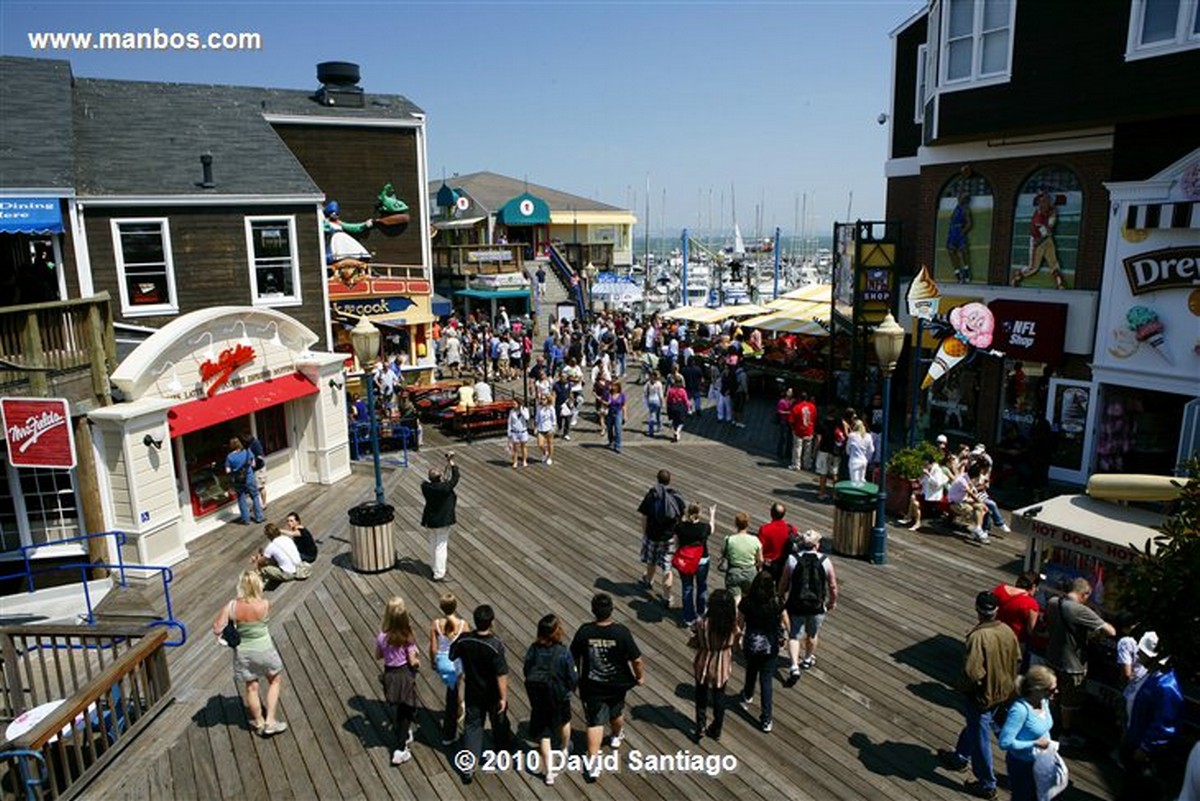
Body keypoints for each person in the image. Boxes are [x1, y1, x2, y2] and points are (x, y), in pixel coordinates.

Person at [937, 592, 1020, 801]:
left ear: (977, 610)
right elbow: (1018, 658)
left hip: (983, 695)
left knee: (980, 734)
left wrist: (962, 688)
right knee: (976, 726)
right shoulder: (1007, 630)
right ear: (996, 610)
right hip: (1005, 691)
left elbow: (972, 673)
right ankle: (960, 756)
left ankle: (987, 784)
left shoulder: (977, 637)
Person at [571, 593, 645, 781]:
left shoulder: (584, 631)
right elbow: (636, 660)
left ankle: (593, 762)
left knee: (595, 722)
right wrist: (639, 677)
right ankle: (616, 736)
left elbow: (574, 658)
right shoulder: (621, 632)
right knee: (617, 711)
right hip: (617, 683)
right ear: (611, 610)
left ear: (593, 610)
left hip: (592, 685)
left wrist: (575, 678)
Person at [212, 570, 288, 737]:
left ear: (241, 586)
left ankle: (259, 722)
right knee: (274, 680)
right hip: (265, 648)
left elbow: (217, 628)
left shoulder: (231, 606)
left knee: (251, 687)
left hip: (244, 652)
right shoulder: (265, 604)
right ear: (258, 585)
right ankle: (271, 721)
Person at [1045, 577, 1115, 748]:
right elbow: (1110, 631)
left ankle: (1048, 726)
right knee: (1068, 702)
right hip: (1072, 665)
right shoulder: (1078, 610)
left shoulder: (1053, 602)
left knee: (1052, 695)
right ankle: (1066, 734)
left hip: (1052, 658)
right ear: (1085, 594)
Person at [449, 605, 512, 784]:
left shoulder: (464, 640)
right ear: (491, 622)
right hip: (492, 693)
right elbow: (501, 674)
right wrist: (503, 698)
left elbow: (452, 655)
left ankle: (468, 767)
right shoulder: (495, 645)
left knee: (472, 726)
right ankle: (502, 755)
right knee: (498, 723)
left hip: (473, 690)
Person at [1120, 632, 1184, 801]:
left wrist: (1146, 747)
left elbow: (1165, 724)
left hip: (1145, 751)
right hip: (1135, 740)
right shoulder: (1151, 675)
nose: (1138, 655)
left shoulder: (1167, 685)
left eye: (1143, 653)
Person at [523, 614, 578, 786]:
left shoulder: (533, 649)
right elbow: (572, 677)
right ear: (556, 631)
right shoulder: (563, 652)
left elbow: (526, 670)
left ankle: (549, 773)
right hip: (559, 696)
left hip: (539, 698)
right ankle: (564, 748)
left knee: (544, 735)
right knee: (565, 721)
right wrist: (569, 689)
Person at [779, 530, 837, 686]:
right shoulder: (825, 561)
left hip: (796, 603)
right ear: (817, 545)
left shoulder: (792, 559)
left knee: (794, 635)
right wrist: (832, 601)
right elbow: (832, 585)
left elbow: (784, 582)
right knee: (812, 633)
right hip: (816, 604)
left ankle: (794, 666)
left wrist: (781, 595)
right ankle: (807, 658)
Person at [997, 665, 1057, 801]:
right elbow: (1004, 743)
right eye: (1052, 689)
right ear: (1037, 690)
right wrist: (1034, 743)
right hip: (1023, 765)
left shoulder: (1044, 702)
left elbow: (1043, 729)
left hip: (1042, 762)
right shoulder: (1020, 710)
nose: (1056, 691)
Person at [737, 569, 786, 733]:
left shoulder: (747, 601)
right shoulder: (777, 601)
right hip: (770, 645)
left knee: (751, 670)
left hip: (751, 642)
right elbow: (786, 622)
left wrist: (737, 639)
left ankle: (747, 695)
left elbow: (740, 624)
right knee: (766, 681)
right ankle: (766, 719)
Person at [688, 588, 739, 743]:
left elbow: (694, 630)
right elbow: (737, 637)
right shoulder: (732, 625)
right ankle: (716, 728)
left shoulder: (703, 623)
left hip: (704, 659)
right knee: (719, 696)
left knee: (701, 694)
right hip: (722, 661)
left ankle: (700, 725)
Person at [375, 596, 421, 766]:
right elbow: (411, 660)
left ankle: (404, 735)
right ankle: (400, 749)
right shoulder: (407, 635)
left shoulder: (382, 636)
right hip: (404, 674)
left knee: (400, 707)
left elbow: (378, 655)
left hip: (390, 674)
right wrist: (417, 661)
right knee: (406, 710)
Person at [636, 469, 684, 606]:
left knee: (651, 561)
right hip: (669, 538)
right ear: (669, 480)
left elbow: (644, 516)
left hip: (653, 535)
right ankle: (667, 597)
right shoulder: (676, 496)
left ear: (657, 479)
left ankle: (648, 580)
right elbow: (681, 517)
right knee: (667, 568)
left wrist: (645, 533)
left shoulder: (652, 495)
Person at [429, 592, 468, 745]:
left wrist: (433, 662)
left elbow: (433, 647)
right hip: (456, 663)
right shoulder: (463, 625)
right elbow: (467, 644)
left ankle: (459, 708)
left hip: (443, 662)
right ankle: (456, 714)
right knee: (454, 689)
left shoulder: (436, 624)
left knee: (453, 688)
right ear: (455, 606)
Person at [1013, 191, 1065, 289]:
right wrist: (1049, 228)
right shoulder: (1038, 218)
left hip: (1046, 239)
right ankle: (1017, 277)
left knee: (1054, 263)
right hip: (1038, 241)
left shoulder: (1049, 210)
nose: (1048, 203)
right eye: (1044, 201)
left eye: (1047, 200)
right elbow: (1045, 233)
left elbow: (1050, 225)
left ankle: (1060, 283)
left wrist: (1051, 222)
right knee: (1033, 268)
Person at [675, 503, 716, 627]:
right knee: (701, 586)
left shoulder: (680, 527)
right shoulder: (703, 528)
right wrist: (712, 515)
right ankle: (701, 610)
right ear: (700, 514)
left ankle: (689, 617)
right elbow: (712, 529)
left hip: (685, 561)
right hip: (701, 560)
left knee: (687, 588)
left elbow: (676, 542)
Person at [421, 452, 460, 581]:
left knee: (433, 544)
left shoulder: (425, 487)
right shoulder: (445, 488)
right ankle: (439, 574)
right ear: (440, 478)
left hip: (430, 520)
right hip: (442, 521)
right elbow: (455, 477)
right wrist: (451, 462)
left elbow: (447, 481)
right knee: (441, 547)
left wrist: (442, 474)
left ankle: (434, 567)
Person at [993, 571, 1041, 671]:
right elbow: (1031, 630)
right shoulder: (1031, 604)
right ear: (1033, 586)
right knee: (1011, 670)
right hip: (1016, 641)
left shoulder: (1000, 589)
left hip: (996, 635)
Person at [720, 511, 763, 603]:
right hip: (750, 572)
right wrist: (758, 567)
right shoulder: (755, 540)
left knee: (735, 599)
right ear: (747, 524)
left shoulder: (729, 539)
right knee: (749, 599)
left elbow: (723, 552)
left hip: (734, 571)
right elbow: (761, 559)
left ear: (736, 524)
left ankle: (736, 616)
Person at [899, 455, 949, 530]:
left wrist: (928, 475)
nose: (924, 466)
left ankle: (914, 521)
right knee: (913, 495)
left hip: (933, 496)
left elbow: (937, 483)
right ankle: (910, 518)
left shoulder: (937, 470)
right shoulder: (928, 469)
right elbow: (924, 481)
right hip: (926, 493)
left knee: (915, 502)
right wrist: (917, 480)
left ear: (930, 463)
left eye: (926, 464)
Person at [225, 437, 265, 525]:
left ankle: (246, 519)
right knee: (254, 496)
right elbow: (253, 464)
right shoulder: (247, 452)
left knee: (241, 498)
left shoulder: (229, 457)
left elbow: (227, 470)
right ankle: (259, 517)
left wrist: (235, 470)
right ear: (239, 443)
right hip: (249, 477)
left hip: (237, 480)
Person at [757, 502, 796, 585]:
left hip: (768, 565)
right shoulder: (791, 529)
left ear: (771, 513)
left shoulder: (765, 529)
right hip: (784, 564)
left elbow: (760, 548)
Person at [947, 190, 973, 283]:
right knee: (951, 252)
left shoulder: (965, 209)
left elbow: (969, 223)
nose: (959, 198)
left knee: (963, 251)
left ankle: (966, 272)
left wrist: (963, 231)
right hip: (952, 232)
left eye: (961, 197)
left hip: (959, 232)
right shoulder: (956, 208)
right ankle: (958, 273)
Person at [813, 412, 841, 502]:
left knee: (823, 473)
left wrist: (815, 450)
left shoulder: (822, 423)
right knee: (835, 473)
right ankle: (835, 494)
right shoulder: (838, 423)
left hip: (823, 450)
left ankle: (822, 493)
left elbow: (818, 438)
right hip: (835, 451)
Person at [789, 392, 817, 471]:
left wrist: (793, 429)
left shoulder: (796, 407)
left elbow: (791, 421)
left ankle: (796, 465)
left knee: (797, 448)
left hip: (799, 430)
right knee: (808, 449)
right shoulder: (812, 407)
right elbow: (814, 418)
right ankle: (807, 465)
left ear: (799, 398)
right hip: (809, 430)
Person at [845, 418, 875, 483]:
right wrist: (867, 458)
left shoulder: (852, 436)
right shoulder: (868, 436)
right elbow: (872, 450)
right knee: (862, 480)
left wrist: (851, 454)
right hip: (863, 461)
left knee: (854, 482)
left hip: (854, 461)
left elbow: (847, 449)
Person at [665, 376, 690, 442]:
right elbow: (685, 400)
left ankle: (676, 433)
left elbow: (668, 400)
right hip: (680, 407)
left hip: (673, 407)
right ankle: (678, 431)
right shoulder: (682, 391)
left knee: (674, 421)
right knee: (681, 422)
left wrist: (668, 408)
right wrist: (689, 407)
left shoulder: (671, 390)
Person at [507, 399, 531, 468]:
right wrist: (509, 433)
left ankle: (524, 461)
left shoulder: (525, 410)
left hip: (523, 431)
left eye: (515, 403)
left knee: (524, 447)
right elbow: (509, 422)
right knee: (515, 448)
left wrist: (521, 410)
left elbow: (527, 417)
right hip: (515, 432)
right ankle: (515, 462)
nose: (513, 405)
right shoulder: (512, 411)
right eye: (513, 404)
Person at [534, 393, 556, 465]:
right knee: (540, 444)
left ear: (547, 400)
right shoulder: (539, 407)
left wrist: (553, 426)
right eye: (541, 399)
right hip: (540, 428)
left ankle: (550, 457)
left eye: (544, 399)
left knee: (550, 444)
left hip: (549, 428)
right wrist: (535, 427)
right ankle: (545, 452)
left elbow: (553, 418)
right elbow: (537, 418)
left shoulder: (551, 408)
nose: (542, 400)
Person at [775, 387, 795, 462]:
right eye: (788, 391)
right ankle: (780, 453)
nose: (790, 393)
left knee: (790, 438)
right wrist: (788, 413)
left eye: (791, 392)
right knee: (783, 437)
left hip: (790, 421)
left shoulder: (793, 401)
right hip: (783, 420)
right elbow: (779, 411)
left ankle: (788, 453)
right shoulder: (782, 401)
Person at [607, 380, 627, 453]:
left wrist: (625, 415)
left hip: (618, 412)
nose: (613, 387)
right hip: (610, 412)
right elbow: (607, 402)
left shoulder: (622, 395)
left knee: (618, 429)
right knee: (609, 429)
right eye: (612, 385)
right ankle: (611, 441)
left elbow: (624, 405)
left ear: (618, 386)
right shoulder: (609, 394)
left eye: (614, 385)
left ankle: (618, 445)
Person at [644, 372, 664, 437]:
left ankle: (651, 430)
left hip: (650, 400)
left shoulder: (648, 383)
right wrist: (662, 402)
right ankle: (660, 426)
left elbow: (645, 393)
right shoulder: (659, 384)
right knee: (658, 414)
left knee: (652, 415)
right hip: (657, 400)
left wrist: (646, 401)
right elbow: (660, 395)